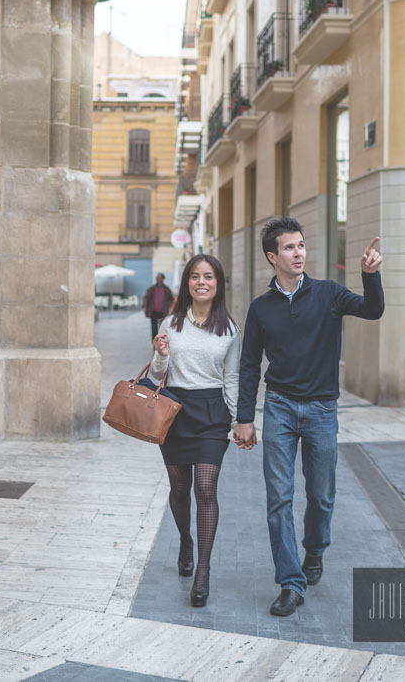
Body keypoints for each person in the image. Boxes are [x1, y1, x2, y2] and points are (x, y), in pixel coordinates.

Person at [234, 217, 383, 617]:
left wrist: (371, 275)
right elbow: (249, 366)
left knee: (320, 495)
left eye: (301, 246)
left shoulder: (328, 294)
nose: (298, 252)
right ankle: (290, 582)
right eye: (289, 247)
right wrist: (244, 417)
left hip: (321, 410)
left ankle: (314, 551)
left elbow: (372, 310)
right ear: (272, 256)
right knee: (279, 498)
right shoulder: (261, 308)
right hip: (279, 408)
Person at [150, 255, 245, 608]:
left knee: (205, 488)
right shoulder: (169, 323)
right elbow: (156, 373)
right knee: (179, 488)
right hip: (175, 412)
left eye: (208, 276)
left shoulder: (230, 330)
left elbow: (232, 378)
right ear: (186, 283)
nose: (201, 282)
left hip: (211, 414)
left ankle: (202, 569)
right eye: (194, 276)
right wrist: (159, 354)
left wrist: (238, 421)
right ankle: (185, 541)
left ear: (218, 283)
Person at [143, 273, 175, 340]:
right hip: (153, 311)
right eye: (157, 277)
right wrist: (145, 305)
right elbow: (146, 297)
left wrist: (168, 306)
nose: (158, 279)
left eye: (160, 278)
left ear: (163, 279)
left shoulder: (166, 289)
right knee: (154, 329)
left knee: (162, 328)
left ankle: (161, 342)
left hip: (162, 312)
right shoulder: (152, 288)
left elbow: (171, 299)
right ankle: (154, 343)